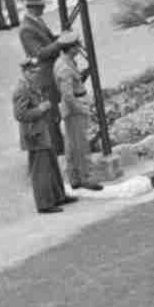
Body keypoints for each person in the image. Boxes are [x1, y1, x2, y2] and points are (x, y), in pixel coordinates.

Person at [14, 56, 74, 213]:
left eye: (36, 72)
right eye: (32, 72)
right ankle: (44, 204)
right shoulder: (21, 89)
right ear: (25, 72)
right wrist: (41, 109)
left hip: (42, 131)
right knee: (40, 170)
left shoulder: (31, 84)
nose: (36, 75)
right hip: (33, 134)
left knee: (52, 165)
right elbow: (20, 115)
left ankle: (58, 196)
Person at [19, 0, 71, 157]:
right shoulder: (26, 29)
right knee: (51, 115)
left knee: (55, 112)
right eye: (42, 5)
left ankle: (59, 148)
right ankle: (57, 151)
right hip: (44, 75)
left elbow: (47, 40)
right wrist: (60, 43)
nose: (44, 7)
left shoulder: (36, 21)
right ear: (34, 7)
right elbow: (39, 53)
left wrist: (60, 38)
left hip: (50, 70)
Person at [53, 31, 103, 191]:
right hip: (74, 109)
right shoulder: (65, 67)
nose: (78, 48)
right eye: (76, 46)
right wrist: (82, 109)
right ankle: (85, 177)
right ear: (71, 48)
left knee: (72, 144)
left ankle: (74, 177)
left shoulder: (65, 62)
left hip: (72, 107)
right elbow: (68, 95)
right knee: (80, 144)